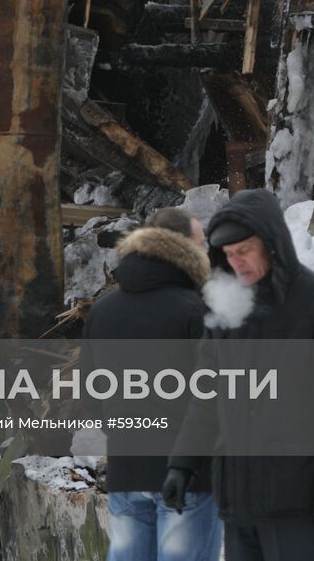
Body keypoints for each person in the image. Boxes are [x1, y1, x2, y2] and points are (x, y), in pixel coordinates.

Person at [164, 189, 314, 561]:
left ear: (272, 244)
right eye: (228, 255)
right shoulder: (227, 308)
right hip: (238, 494)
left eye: (245, 251)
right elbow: (206, 398)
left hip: (297, 497)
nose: (236, 262)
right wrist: (182, 464)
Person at [85, 207, 222, 561]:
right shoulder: (198, 311)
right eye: (201, 243)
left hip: (127, 469)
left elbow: (90, 394)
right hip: (190, 475)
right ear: (183, 249)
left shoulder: (103, 311)